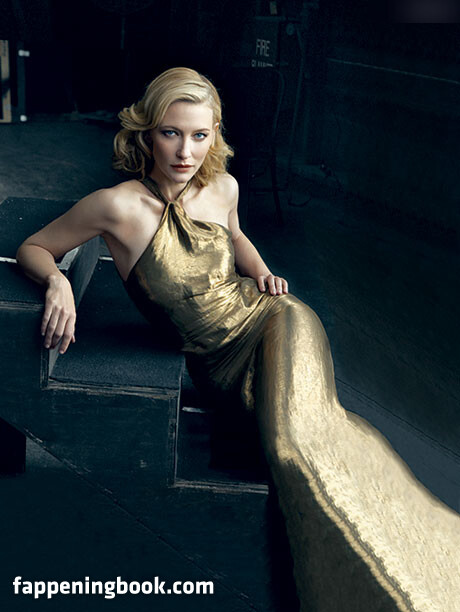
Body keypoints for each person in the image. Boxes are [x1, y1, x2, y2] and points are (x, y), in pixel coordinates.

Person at [16, 67, 460, 611]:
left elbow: (235, 234)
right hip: (215, 363)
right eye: (171, 133)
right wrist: (57, 281)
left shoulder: (223, 187)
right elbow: (34, 247)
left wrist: (264, 273)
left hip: (276, 322)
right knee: (302, 438)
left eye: (200, 135)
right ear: (147, 133)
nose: (185, 152)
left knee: (294, 445)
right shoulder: (117, 206)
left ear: (214, 135)